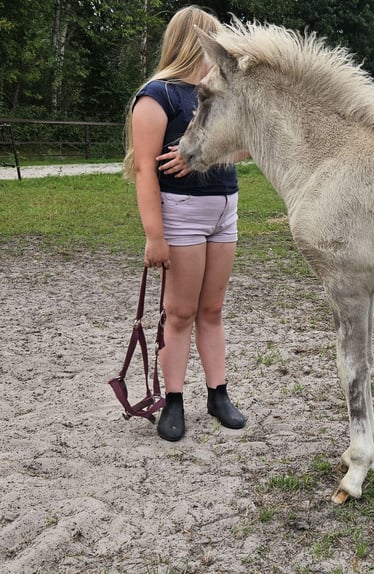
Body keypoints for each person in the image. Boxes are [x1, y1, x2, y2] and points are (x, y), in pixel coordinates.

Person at [123, 6, 247, 441]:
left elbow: (246, 148)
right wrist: (154, 235)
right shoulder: (158, 96)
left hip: (224, 208)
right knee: (179, 312)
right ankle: (172, 400)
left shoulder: (219, 92)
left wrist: (205, 152)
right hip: (181, 213)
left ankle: (218, 394)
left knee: (212, 310)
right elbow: (143, 169)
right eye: (215, 41)